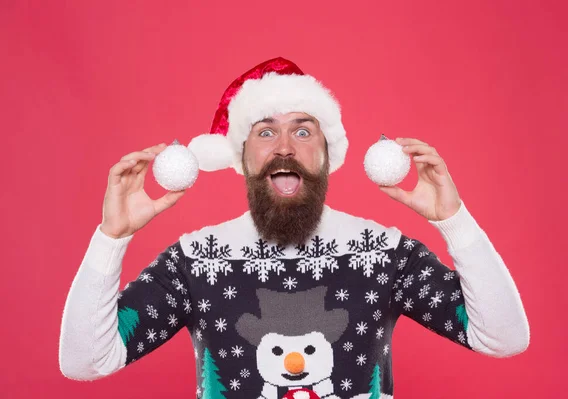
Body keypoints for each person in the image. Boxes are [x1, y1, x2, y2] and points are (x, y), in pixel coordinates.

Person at [59, 57, 529, 399]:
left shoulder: (383, 253)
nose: (285, 147)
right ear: (241, 157)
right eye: (265, 132)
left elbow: (503, 338)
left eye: (303, 131)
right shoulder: (195, 261)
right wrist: (111, 238)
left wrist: (454, 220)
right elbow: (85, 361)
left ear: (328, 154)